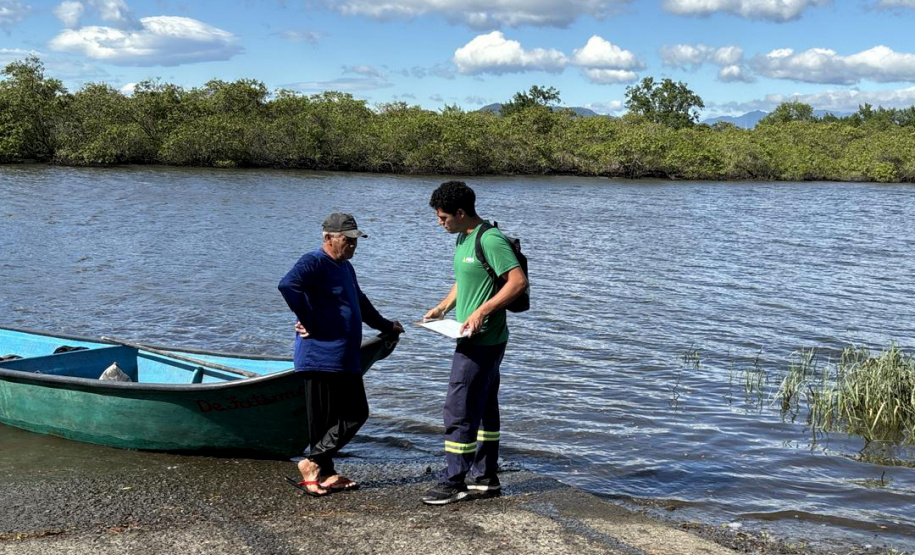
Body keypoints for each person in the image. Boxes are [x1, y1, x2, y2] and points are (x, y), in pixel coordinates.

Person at [278, 212, 403, 497]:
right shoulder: (314, 261)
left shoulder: (345, 267)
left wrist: (387, 326)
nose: (352, 246)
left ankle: (327, 472)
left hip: (344, 357)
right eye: (347, 240)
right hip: (320, 355)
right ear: (328, 238)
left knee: (346, 415)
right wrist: (309, 320)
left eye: (355, 241)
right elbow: (288, 286)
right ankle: (313, 464)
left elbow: (360, 302)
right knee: (342, 416)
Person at [421, 181, 528, 505]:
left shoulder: (490, 239)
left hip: (483, 341)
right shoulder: (463, 238)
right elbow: (466, 279)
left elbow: (517, 282)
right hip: (468, 335)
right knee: (483, 407)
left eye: (442, 218)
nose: (440, 223)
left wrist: (483, 309)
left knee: (459, 409)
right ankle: (485, 478)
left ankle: (454, 481)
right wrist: (442, 307)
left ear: (461, 212)